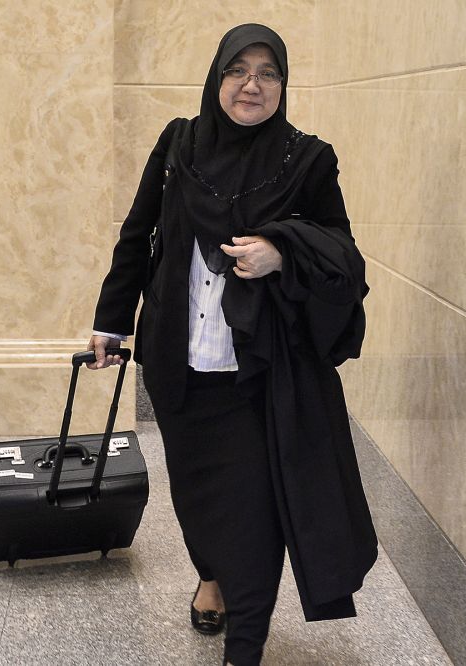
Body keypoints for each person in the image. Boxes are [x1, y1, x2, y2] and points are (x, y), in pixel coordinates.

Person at [87, 23, 378, 666]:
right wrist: (113, 321)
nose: (252, 84)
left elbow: (344, 257)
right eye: (238, 70)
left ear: (283, 84)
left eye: (268, 72)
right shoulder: (178, 144)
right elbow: (137, 235)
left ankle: (243, 646)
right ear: (217, 76)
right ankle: (210, 576)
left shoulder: (306, 159)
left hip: (258, 369)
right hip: (176, 360)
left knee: (253, 518)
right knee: (195, 497)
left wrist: (283, 251)